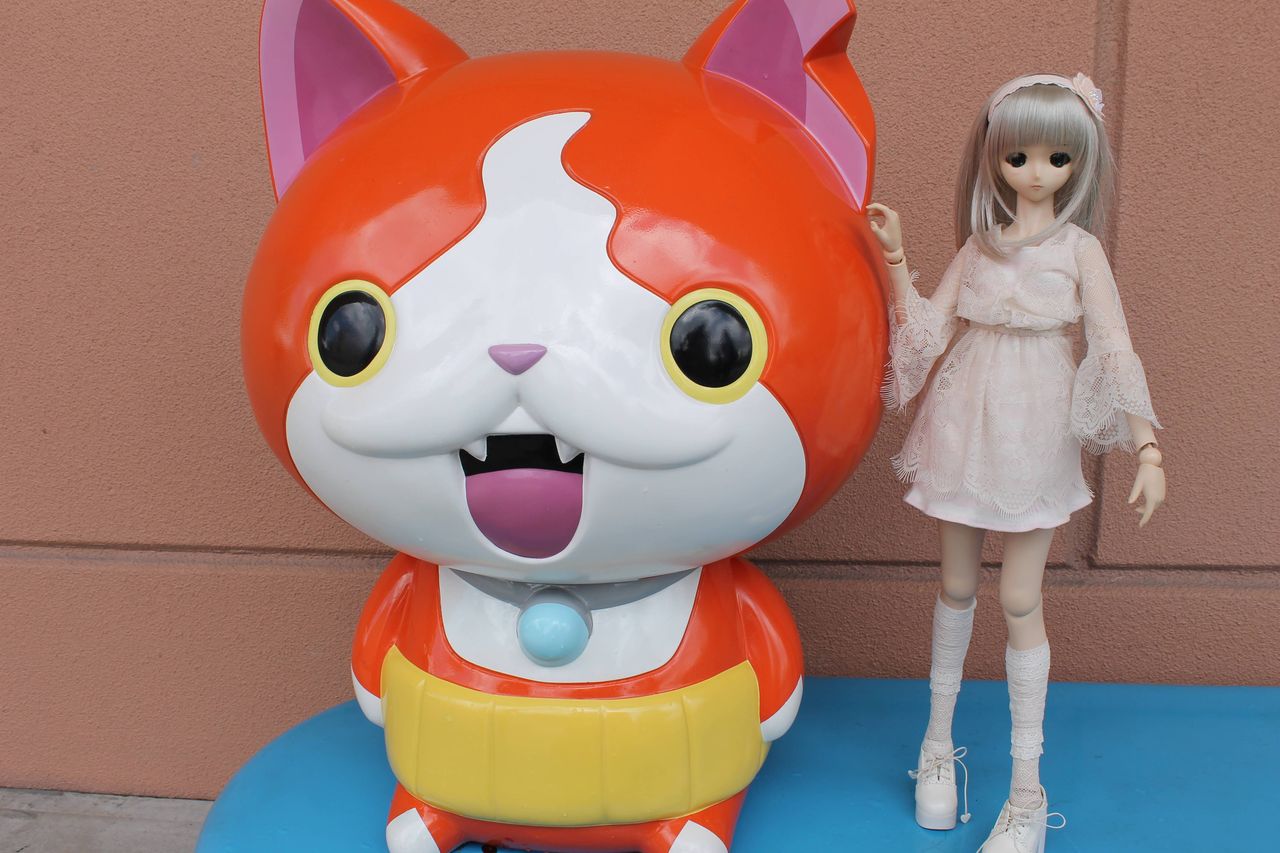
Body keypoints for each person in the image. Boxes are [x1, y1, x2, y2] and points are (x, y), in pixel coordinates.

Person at [868, 73, 1167, 853]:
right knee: (956, 585)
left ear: (1079, 163)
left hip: (1036, 425)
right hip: (964, 417)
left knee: (1020, 597)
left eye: (1057, 157)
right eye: (1020, 156)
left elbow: (1114, 344)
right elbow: (929, 328)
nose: (1037, 172)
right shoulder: (982, 244)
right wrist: (896, 259)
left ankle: (1027, 792)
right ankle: (938, 744)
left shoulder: (1080, 250)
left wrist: (1147, 445)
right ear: (995, 158)